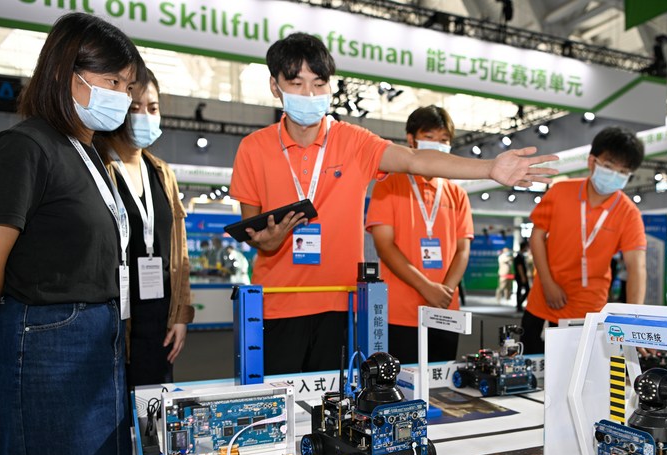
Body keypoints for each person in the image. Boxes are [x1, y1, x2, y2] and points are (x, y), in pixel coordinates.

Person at [230, 33, 556, 375]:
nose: (310, 94)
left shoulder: (353, 141)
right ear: (275, 86)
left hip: (341, 304)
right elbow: (253, 228)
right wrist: (265, 242)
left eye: (319, 83)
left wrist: (489, 169)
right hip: (276, 303)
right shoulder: (254, 148)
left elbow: (415, 160)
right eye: (296, 83)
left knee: (335, 401)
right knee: (277, 398)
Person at [0, 13, 141, 455]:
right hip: (44, 345)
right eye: (112, 81)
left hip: (96, 342)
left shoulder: (90, 155)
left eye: (128, 84)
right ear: (67, 72)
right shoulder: (24, 146)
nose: (123, 96)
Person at [95, 67, 195, 388]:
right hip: (113, 316)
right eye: (134, 107)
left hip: (159, 317)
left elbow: (179, 251)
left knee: (154, 407)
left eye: (152, 108)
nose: (144, 116)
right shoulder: (98, 166)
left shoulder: (162, 172)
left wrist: (181, 314)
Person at [521, 126, 647, 354]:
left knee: (578, 369)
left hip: (588, 307)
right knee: (529, 364)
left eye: (623, 171)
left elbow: (636, 267)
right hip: (543, 299)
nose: (614, 175)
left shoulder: (629, 213)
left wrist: (633, 321)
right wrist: (547, 284)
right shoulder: (560, 191)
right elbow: (537, 236)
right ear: (592, 162)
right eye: (609, 166)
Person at [366, 106, 474, 363]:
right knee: (400, 382)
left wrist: (445, 291)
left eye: (444, 139)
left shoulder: (457, 193)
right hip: (399, 312)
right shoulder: (388, 184)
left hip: (445, 311)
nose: (438, 144)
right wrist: (426, 287)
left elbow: (463, 249)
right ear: (411, 139)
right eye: (430, 136)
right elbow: (384, 246)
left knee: (441, 379)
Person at [514, 240, 531, 310]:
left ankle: (519, 304)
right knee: (525, 289)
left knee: (521, 289)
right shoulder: (519, 257)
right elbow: (519, 267)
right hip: (520, 276)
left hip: (521, 276)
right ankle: (519, 304)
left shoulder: (521, 256)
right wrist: (523, 277)